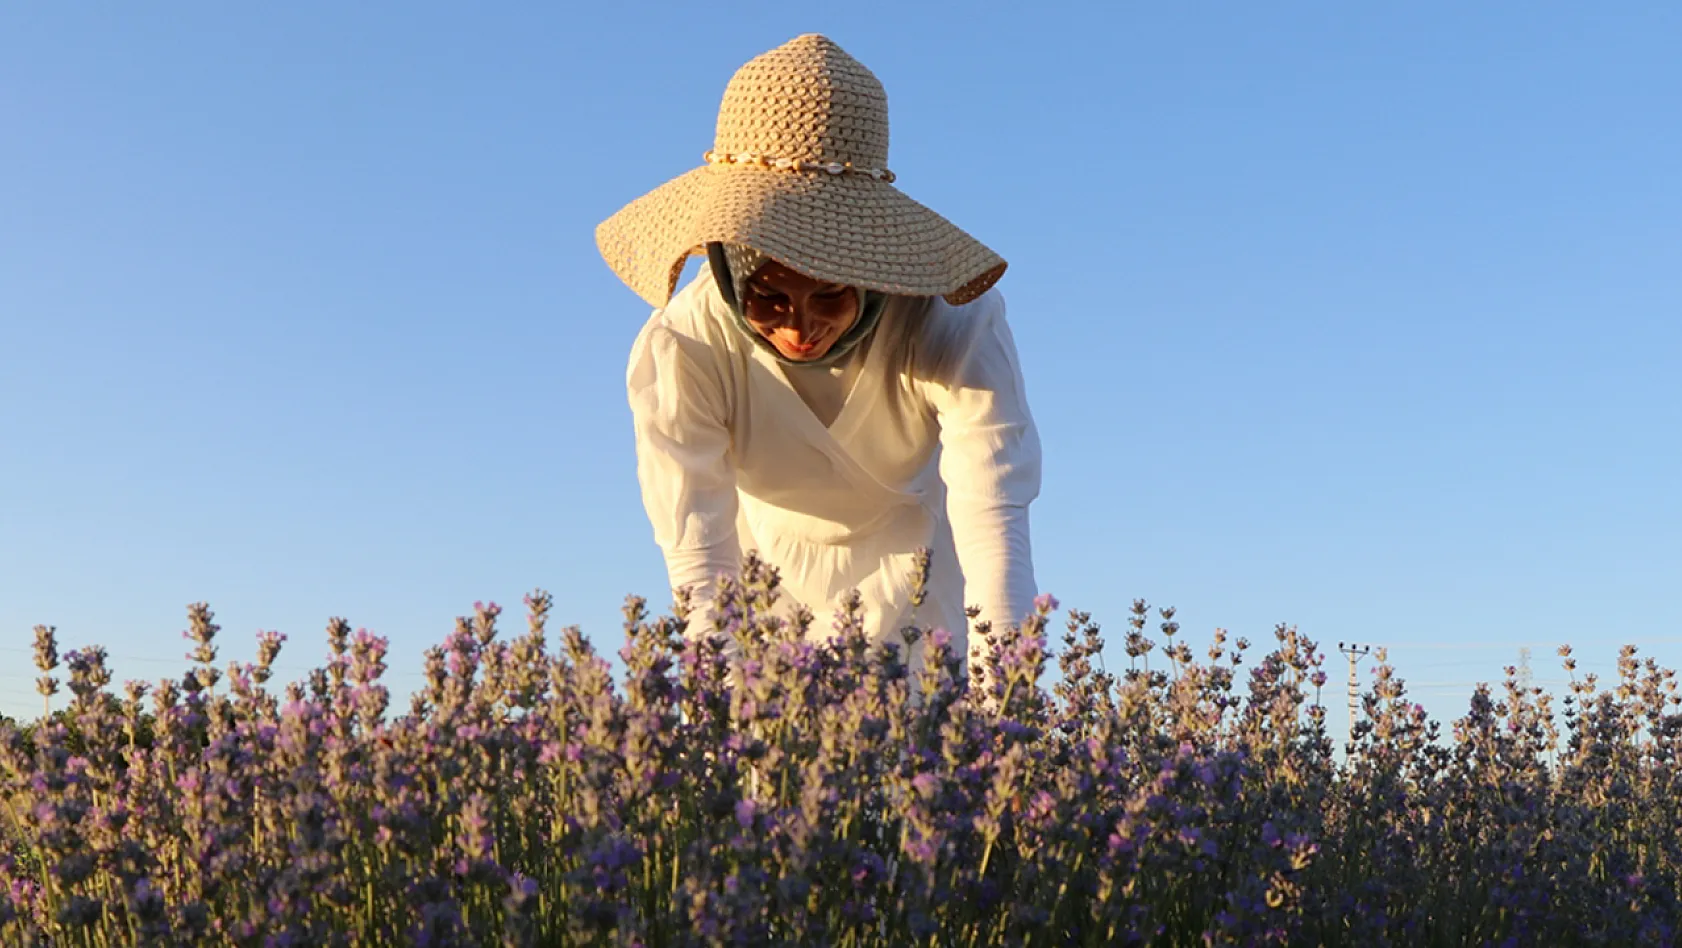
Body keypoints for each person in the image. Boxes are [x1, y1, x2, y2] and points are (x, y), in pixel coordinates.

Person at [595, 34, 1041, 675]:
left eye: (830, 293)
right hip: (760, 576)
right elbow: (701, 565)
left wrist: (1006, 703)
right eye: (769, 298)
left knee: (925, 752)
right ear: (729, 267)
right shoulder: (684, 347)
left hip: (918, 570)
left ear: (867, 268)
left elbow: (994, 515)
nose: (799, 326)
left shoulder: (949, 324)